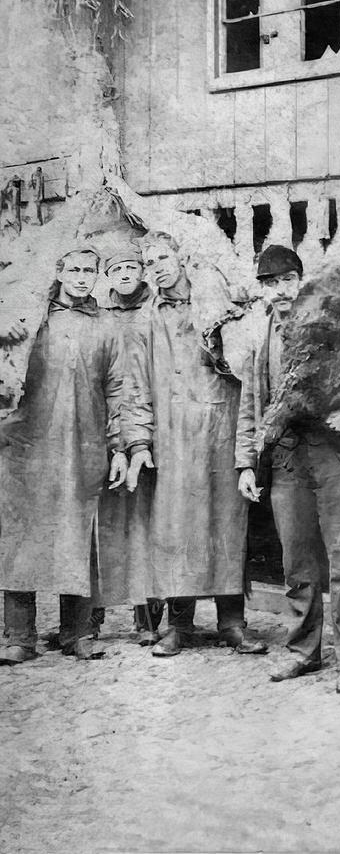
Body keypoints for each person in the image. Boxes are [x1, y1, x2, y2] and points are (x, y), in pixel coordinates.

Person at [235, 245, 340, 692]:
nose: (278, 291)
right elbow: (251, 403)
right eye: (268, 284)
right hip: (285, 458)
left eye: (284, 281)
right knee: (297, 561)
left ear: (300, 281)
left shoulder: (333, 318)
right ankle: (303, 651)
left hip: (331, 451)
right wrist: (246, 462)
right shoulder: (260, 337)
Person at [125, 231, 266, 658]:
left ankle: (232, 623)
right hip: (173, 437)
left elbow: (247, 361)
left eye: (164, 258)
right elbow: (135, 385)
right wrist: (138, 441)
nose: (158, 269)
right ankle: (179, 626)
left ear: (181, 256)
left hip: (222, 427)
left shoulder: (217, 301)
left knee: (227, 522)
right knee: (175, 526)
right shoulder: (146, 319)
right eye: (149, 264)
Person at [0, 248, 128, 663]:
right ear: (58, 272)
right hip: (27, 448)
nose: (81, 277)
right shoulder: (29, 318)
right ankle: (20, 636)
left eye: (89, 270)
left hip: (83, 447)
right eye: (73, 269)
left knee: (80, 538)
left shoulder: (106, 325)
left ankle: (78, 633)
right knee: (21, 537)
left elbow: (119, 389)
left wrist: (121, 446)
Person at [94, 243, 165, 645]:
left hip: (144, 425)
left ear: (142, 270)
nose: (123, 274)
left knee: (145, 524)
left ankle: (148, 618)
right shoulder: (100, 314)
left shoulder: (154, 310)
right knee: (105, 526)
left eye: (130, 266)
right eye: (115, 267)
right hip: (105, 424)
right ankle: (90, 619)